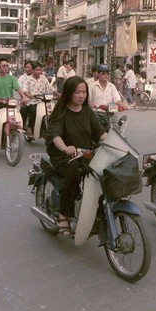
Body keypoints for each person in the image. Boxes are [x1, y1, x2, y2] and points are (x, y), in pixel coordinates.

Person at [45, 76, 106, 238]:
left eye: (84, 92)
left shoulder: (88, 112)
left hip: (85, 153)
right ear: (69, 93)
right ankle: (63, 215)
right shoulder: (62, 113)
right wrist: (65, 148)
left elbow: (100, 133)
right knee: (73, 174)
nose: (81, 95)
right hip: (64, 156)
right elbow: (55, 135)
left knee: (104, 173)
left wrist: (115, 142)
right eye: (77, 92)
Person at [0, 58, 24, 143]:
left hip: (10, 103)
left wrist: (23, 97)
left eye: (7, 66)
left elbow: (18, 88)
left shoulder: (11, 78)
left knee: (17, 117)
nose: (6, 67)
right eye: (3, 66)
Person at [21, 61, 55, 135]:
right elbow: (24, 90)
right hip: (32, 101)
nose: (39, 71)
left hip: (44, 101)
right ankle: (30, 128)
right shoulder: (29, 79)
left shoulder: (44, 78)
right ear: (32, 70)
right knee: (33, 110)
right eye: (37, 70)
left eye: (40, 70)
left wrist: (57, 94)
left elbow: (50, 88)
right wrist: (30, 95)